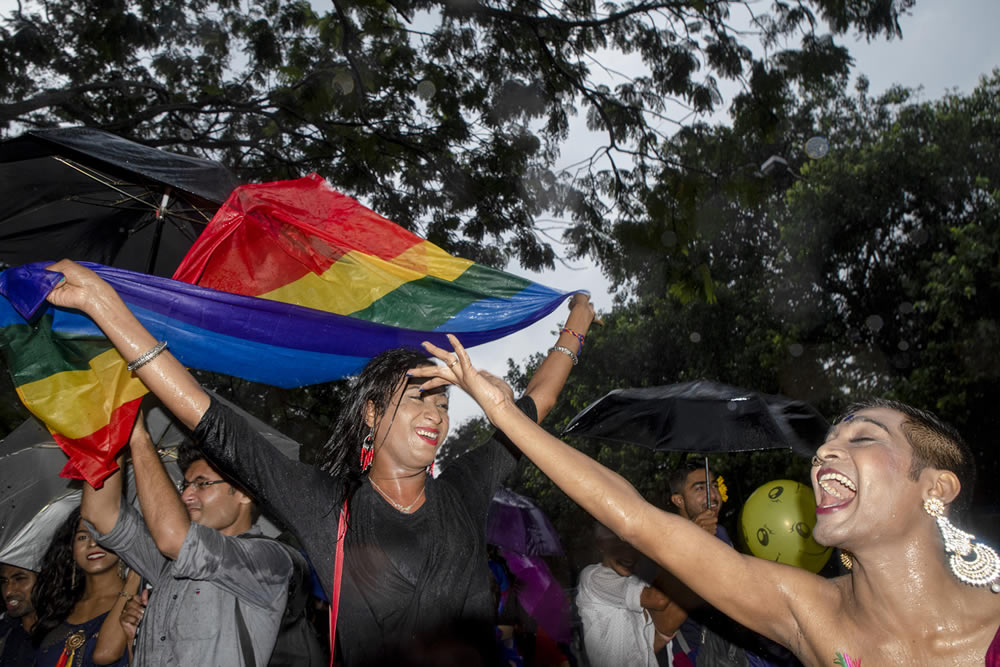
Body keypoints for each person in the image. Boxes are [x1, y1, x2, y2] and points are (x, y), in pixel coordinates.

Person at [43, 259, 596, 665]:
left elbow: (536, 406)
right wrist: (104, 306)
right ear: (373, 416)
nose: (436, 414)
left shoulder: (464, 489)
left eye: (443, 401)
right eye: (418, 398)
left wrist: (576, 324)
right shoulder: (327, 506)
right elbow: (207, 415)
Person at [414, 335, 1000, 666]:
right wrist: (503, 415)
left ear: (936, 487)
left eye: (863, 436)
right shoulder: (808, 610)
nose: (823, 453)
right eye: (828, 440)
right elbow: (639, 520)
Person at [81, 415, 298, 666]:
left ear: (244, 493)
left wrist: (139, 437)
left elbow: (174, 538)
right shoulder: (168, 563)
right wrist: (115, 433)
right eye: (185, 485)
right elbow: (99, 514)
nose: (185, 495)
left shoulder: (269, 559)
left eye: (202, 484)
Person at [665, 463, 792, 667]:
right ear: (678, 500)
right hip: (699, 653)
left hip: (738, 649)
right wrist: (694, 541)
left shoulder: (720, 532)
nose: (713, 495)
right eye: (700, 488)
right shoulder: (666, 538)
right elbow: (664, 606)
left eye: (714, 486)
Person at [30, 508, 135, 667]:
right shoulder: (58, 604)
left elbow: (108, 655)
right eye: (83, 537)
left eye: (102, 534)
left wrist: (135, 578)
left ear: (121, 541)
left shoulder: (137, 603)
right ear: (71, 549)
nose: (93, 543)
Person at [576, 523, 681, 667]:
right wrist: (687, 549)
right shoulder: (594, 577)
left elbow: (644, 652)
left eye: (633, 546)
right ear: (601, 545)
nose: (628, 554)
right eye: (618, 545)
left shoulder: (638, 581)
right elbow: (659, 599)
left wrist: (662, 639)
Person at [0, 563, 38, 666]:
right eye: (4, 581)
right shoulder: (4, 632)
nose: (8, 591)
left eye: (19, 579)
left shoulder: (66, 636)